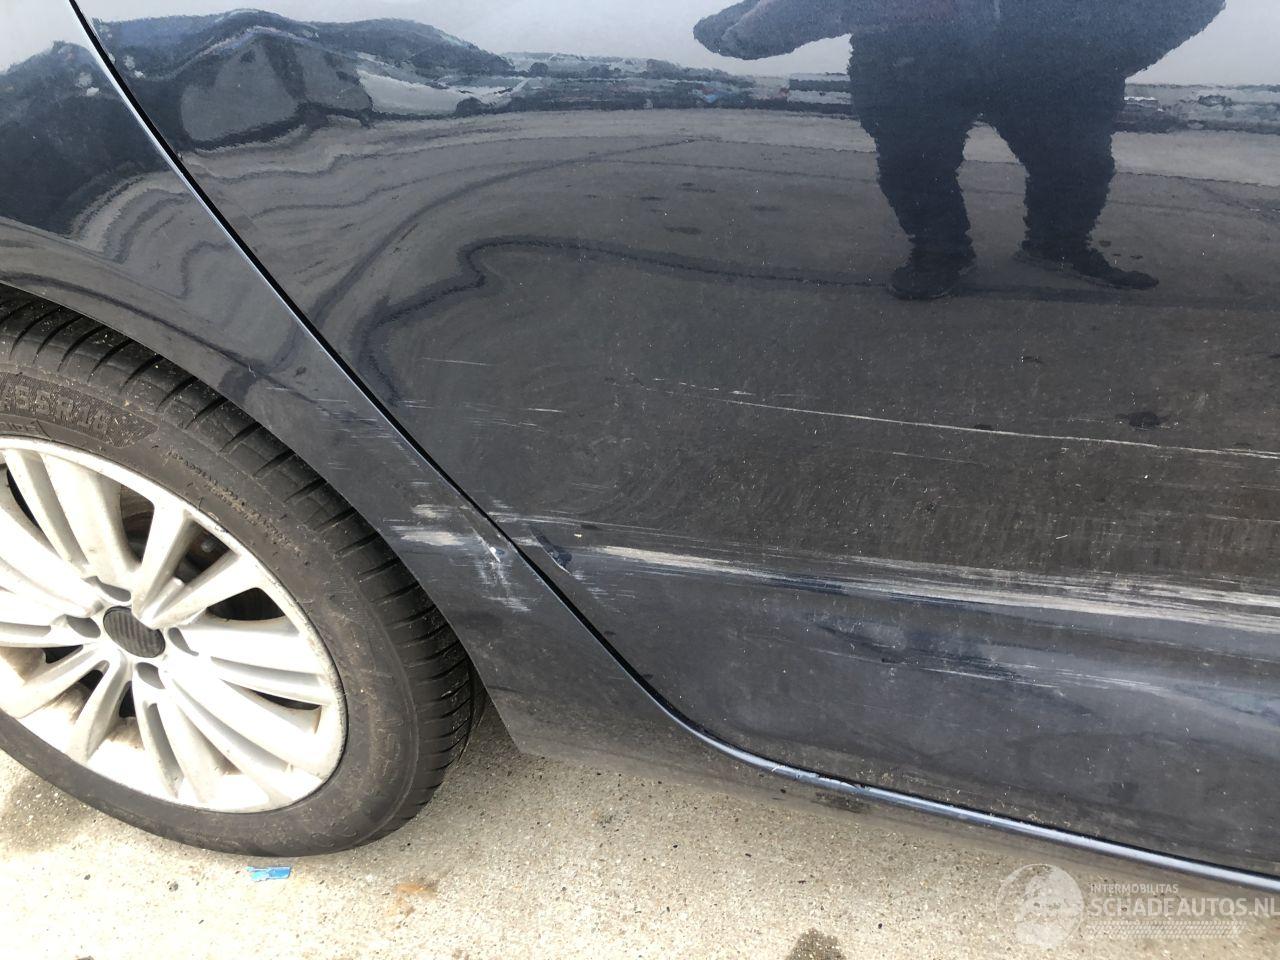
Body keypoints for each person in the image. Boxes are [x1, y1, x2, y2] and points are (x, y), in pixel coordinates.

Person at [695, 0, 1226, 299]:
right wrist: (736, 31)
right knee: (913, 159)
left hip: (1052, 56)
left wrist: (1105, 56)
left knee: (1079, 161)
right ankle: (940, 250)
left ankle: (1058, 244)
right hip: (913, 56)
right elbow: (744, 29)